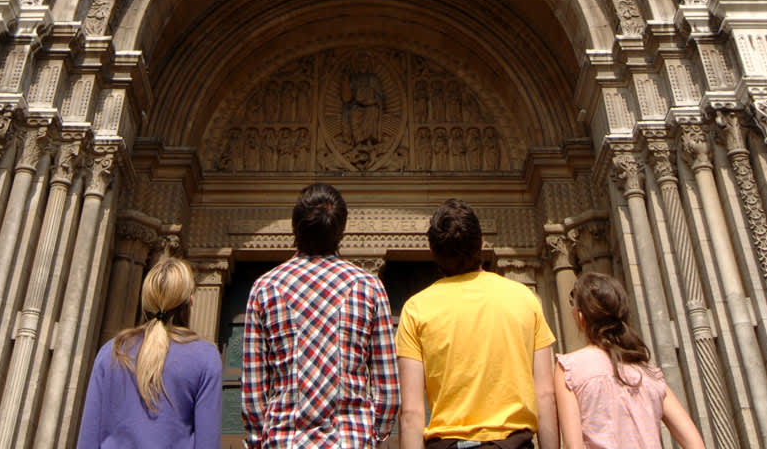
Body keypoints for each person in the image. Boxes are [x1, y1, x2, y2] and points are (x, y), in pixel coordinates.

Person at [242, 182, 398, 447]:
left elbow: (253, 392)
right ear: (341, 231)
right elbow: (389, 390)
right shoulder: (368, 287)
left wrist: (260, 440)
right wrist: (370, 437)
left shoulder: (265, 288)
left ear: (295, 227)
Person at [396, 199, 558, 449]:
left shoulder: (416, 309)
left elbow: (411, 413)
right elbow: (545, 394)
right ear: (481, 244)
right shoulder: (525, 298)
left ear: (435, 254)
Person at [75, 257, 221, 449]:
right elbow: (207, 443)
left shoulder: (112, 352)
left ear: (145, 302)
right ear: (190, 301)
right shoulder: (206, 357)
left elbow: (88, 438)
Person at [554, 273, 706, 449]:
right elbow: (695, 444)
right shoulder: (649, 374)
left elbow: (574, 446)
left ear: (581, 317)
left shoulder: (569, 368)